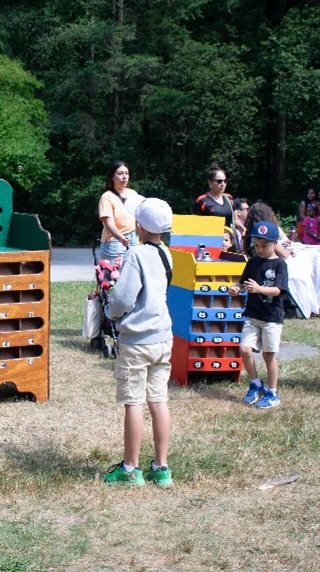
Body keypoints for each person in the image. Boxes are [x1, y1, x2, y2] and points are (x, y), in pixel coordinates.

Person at [102, 198, 175, 488]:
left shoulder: (136, 254)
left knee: (133, 401)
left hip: (137, 341)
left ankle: (130, 468)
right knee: (158, 400)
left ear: (139, 226)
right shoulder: (167, 254)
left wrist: (109, 308)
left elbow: (124, 298)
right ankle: (161, 467)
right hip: (163, 337)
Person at [229, 221, 289, 409]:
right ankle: (255, 384)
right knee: (244, 350)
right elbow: (243, 282)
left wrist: (259, 289)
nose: (260, 249)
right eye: (256, 246)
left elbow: (279, 290)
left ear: (274, 244)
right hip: (253, 316)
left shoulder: (280, 264)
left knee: (269, 356)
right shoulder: (253, 262)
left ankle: (272, 393)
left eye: (265, 246)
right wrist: (236, 288)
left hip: (271, 318)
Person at [97, 161, 143, 266]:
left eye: (126, 173)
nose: (124, 177)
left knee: (132, 274)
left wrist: (143, 235)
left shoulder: (133, 194)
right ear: (112, 177)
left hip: (133, 238)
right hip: (114, 241)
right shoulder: (106, 197)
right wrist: (121, 238)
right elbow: (109, 225)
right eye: (120, 173)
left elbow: (139, 218)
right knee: (112, 276)